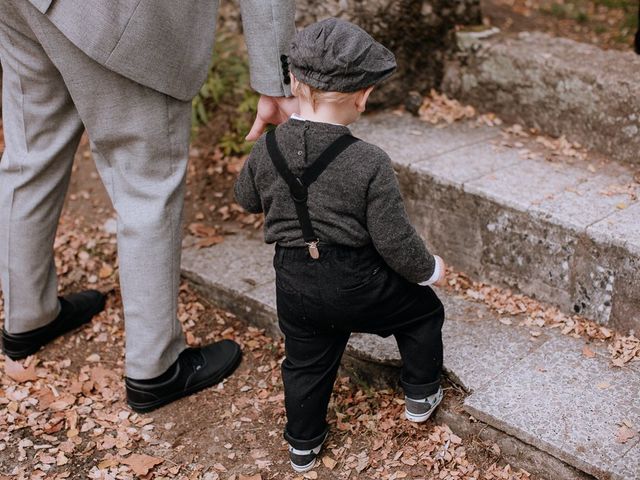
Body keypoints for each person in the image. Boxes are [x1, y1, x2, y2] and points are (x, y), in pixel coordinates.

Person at [0, 0, 297, 413]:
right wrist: (275, 79)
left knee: (30, 157)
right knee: (146, 185)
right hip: (116, 15)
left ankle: (27, 317)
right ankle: (155, 367)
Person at [234, 18, 447, 473]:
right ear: (363, 96)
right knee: (423, 312)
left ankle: (303, 444)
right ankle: (421, 394)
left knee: (306, 361)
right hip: (357, 282)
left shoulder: (266, 150)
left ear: (293, 81)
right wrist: (428, 269)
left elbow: (247, 200)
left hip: (294, 284)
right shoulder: (369, 162)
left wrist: (266, 148)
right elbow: (394, 240)